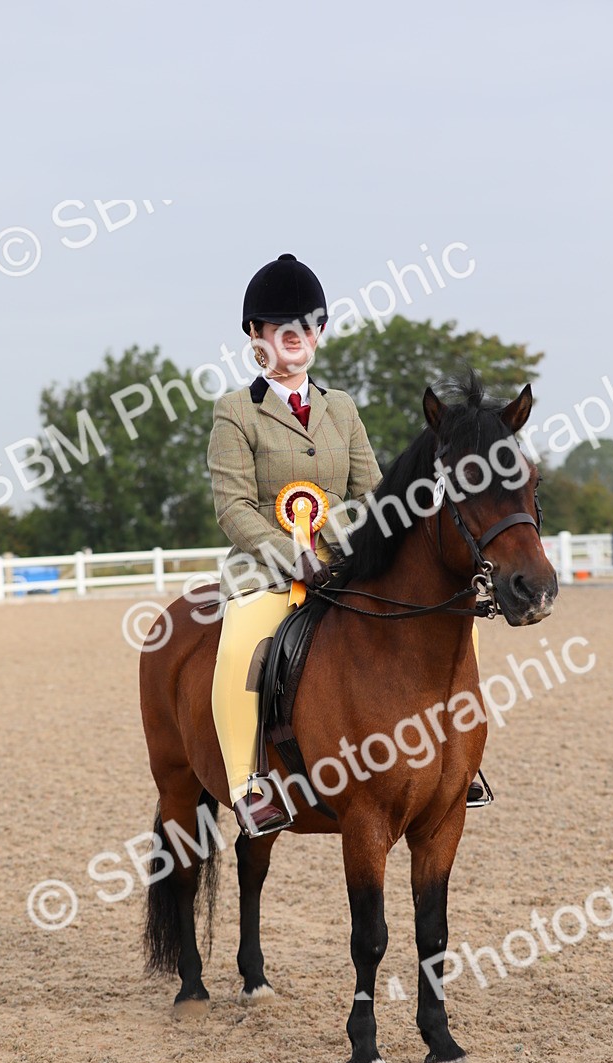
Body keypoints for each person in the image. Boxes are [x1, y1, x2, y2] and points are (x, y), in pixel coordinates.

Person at [208, 253, 381, 837]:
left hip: (343, 565)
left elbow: (374, 494)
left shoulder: (342, 409)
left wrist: (338, 539)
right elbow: (233, 507)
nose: (295, 338)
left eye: (306, 327)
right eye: (279, 329)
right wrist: (291, 553)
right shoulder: (236, 412)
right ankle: (247, 785)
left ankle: (459, 759)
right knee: (239, 649)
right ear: (255, 337)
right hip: (266, 571)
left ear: (319, 333)